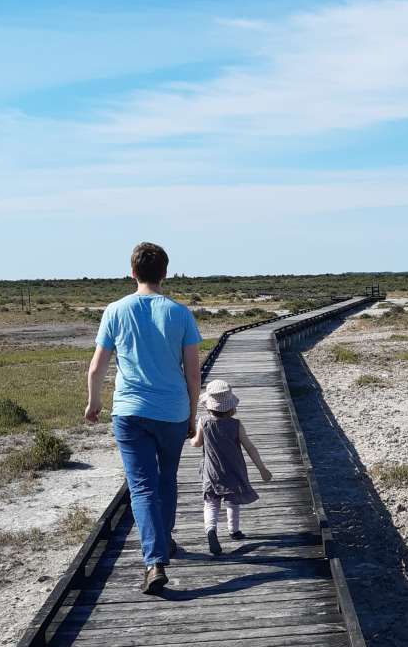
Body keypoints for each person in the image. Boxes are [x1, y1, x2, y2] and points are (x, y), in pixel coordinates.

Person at [85, 242, 202, 594]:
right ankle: (163, 542)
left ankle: (155, 560)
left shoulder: (115, 311)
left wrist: (94, 403)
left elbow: (96, 368)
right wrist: (193, 416)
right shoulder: (180, 313)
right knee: (166, 478)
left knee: (142, 486)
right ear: (165, 272)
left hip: (130, 412)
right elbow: (193, 374)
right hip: (172, 412)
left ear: (132, 272)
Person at [191, 378, 273, 555]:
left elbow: (197, 443)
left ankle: (211, 530)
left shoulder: (203, 422)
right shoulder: (236, 425)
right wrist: (262, 468)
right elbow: (249, 447)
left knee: (211, 504)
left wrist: (191, 438)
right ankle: (234, 530)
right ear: (231, 407)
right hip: (233, 471)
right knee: (233, 502)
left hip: (211, 472)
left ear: (208, 406)